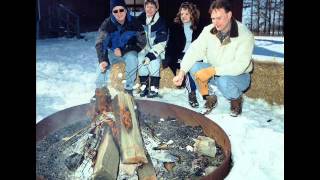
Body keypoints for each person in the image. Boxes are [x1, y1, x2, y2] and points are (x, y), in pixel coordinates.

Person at [172, 0, 254, 117]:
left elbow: (240, 65)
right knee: (194, 67)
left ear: (229, 15)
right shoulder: (209, 30)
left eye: (219, 18)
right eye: (213, 18)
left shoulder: (245, 35)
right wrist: (182, 71)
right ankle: (210, 97)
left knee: (223, 81)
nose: (215, 22)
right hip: (215, 71)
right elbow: (194, 50)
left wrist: (212, 71)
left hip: (239, 76)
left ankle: (236, 99)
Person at [95, 0, 146, 95]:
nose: (119, 13)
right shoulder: (107, 24)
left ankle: (128, 89)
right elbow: (100, 43)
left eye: (121, 10)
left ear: (126, 10)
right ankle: (100, 91)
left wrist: (123, 50)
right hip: (112, 53)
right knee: (102, 65)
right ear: (112, 13)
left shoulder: (135, 23)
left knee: (132, 58)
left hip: (128, 51)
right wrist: (103, 59)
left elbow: (142, 42)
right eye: (115, 11)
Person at [165, 1, 203, 108]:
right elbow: (170, 45)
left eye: (187, 13)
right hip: (180, 55)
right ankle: (192, 93)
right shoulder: (175, 27)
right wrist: (168, 57)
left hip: (196, 55)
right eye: (182, 14)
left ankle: (193, 91)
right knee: (187, 64)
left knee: (192, 64)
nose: (184, 16)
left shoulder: (200, 27)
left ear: (192, 14)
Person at [136, 0, 168, 98]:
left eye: (152, 7)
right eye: (147, 6)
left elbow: (161, 43)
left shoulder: (161, 22)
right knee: (141, 59)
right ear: (144, 7)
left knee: (154, 62)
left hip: (158, 50)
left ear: (156, 8)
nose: (149, 9)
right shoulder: (139, 20)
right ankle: (144, 86)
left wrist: (150, 55)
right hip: (144, 48)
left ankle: (154, 88)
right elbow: (136, 37)